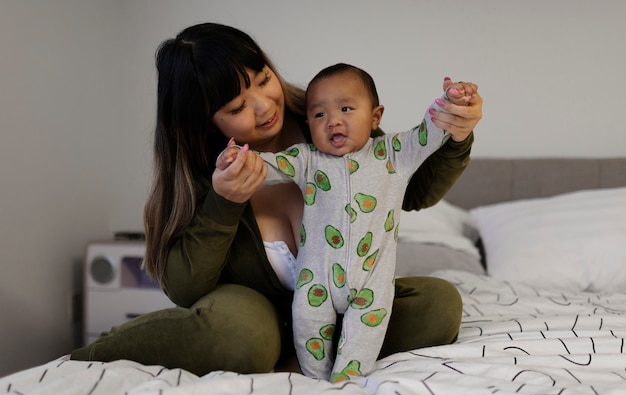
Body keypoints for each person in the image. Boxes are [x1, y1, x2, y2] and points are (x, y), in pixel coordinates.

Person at [70, 23, 483, 377]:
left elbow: (414, 191)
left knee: (438, 306)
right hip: (252, 313)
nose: (265, 106)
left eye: (264, 79)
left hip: (340, 307)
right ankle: (96, 353)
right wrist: (225, 200)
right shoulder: (206, 172)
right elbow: (184, 287)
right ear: (205, 122)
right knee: (241, 336)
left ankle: (302, 356)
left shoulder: (327, 119)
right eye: (237, 106)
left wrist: (455, 134)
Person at [216, 63, 476, 382]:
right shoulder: (306, 159)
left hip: (372, 281)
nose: (334, 121)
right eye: (320, 115)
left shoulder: (395, 153)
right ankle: (313, 382)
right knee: (307, 329)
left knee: (362, 342)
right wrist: (237, 161)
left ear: (375, 116)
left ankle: (344, 385)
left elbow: (431, 131)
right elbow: (267, 167)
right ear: (308, 122)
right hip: (316, 279)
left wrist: (451, 103)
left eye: (346, 108)